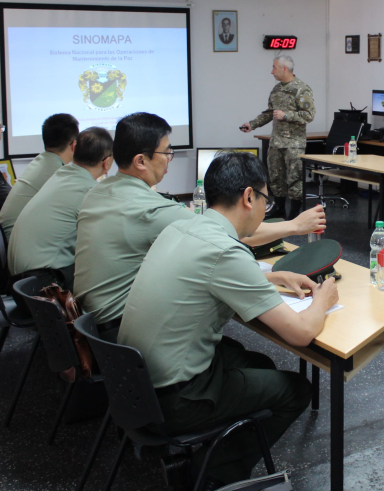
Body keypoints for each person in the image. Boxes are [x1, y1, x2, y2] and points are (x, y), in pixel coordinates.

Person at [118, 151, 337, 488]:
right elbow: (301, 332)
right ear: (249, 197)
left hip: (134, 384)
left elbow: (207, 274)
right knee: (296, 391)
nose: (267, 208)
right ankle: (215, 474)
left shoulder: (183, 225)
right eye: (266, 199)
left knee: (259, 362)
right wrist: (322, 299)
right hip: (175, 398)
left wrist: (272, 278)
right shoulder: (225, 251)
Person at [74, 113, 325, 342]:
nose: (170, 159)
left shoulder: (97, 191)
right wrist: (294, 226)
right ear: (141, 160)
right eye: (166, 152)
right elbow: (226, 231)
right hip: (119, 327)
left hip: (90, 322)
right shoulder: (151, 210)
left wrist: (269, 277)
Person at [8, 127, 113, 290]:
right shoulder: (90, 191)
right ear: (107, 163)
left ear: (74, 150)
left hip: (20, 282)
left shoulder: (60, 174)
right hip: (45, 284)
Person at [240, 55, 315, 220]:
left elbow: (309, 115)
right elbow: (270, 113)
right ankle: (280, 208)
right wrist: (252, 124)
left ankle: (295, 213)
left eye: (274, 68)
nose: (271, 71)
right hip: (276, 142)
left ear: (284, 69)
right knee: (276, 178)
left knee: (295, 179)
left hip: (293, 144)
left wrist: (286, 115)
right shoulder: (277, 89)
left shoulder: (301, 89)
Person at [0, 114, 79, 240]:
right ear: (74, 145)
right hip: (18, 241)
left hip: (6, 238)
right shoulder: (59, 173)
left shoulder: (40, 161)